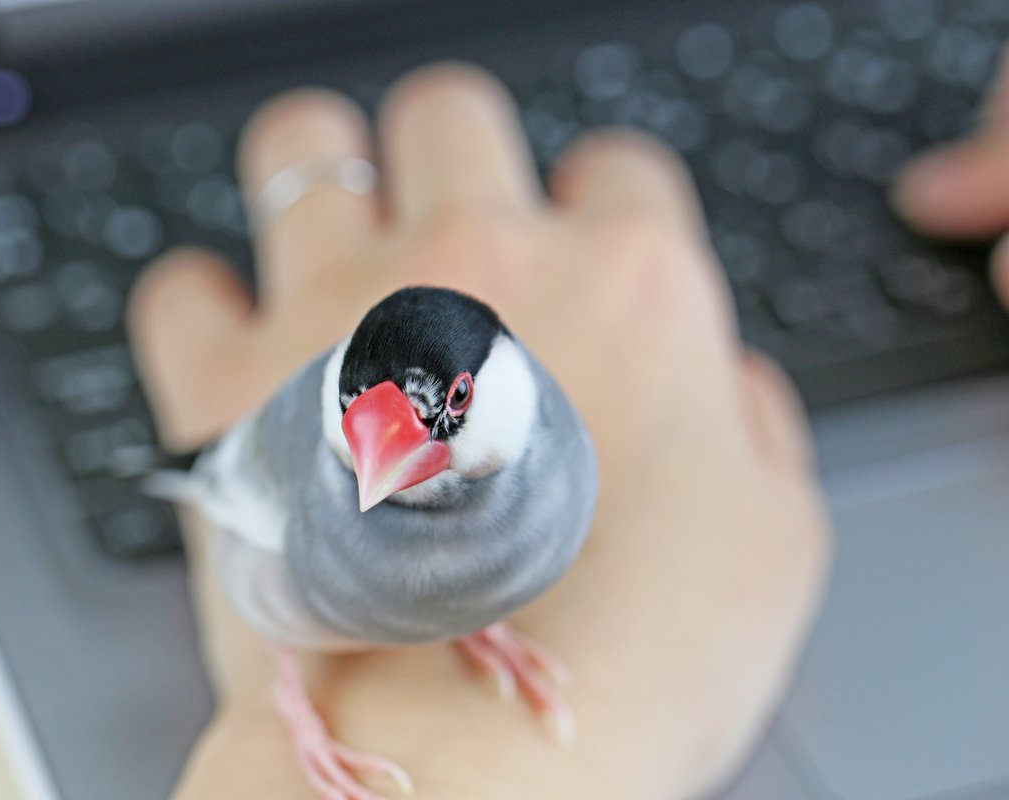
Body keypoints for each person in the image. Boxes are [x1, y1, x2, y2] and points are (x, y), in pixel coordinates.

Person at [123, 48, 1009, 797]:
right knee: (294, 621)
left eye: (443, 414)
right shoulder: (328, 474)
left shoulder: (569, 465)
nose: (386, 462)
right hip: (296, 577)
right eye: (368, 427)